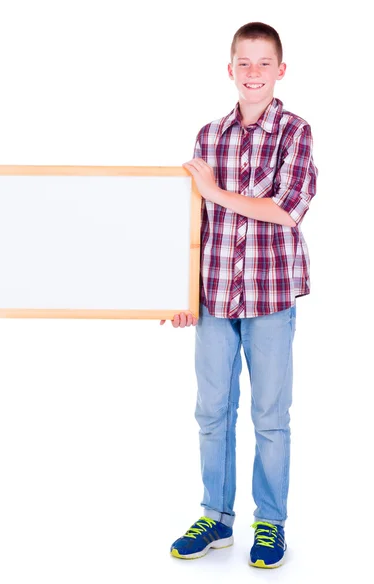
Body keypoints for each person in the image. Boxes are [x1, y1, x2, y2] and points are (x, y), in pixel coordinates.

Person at [162, 22, 317, 569]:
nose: (253, 73)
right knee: (212, 412)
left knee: (271, 416)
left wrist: (215, 191)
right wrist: (179, 291)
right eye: (243, 64)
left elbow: (287, 208)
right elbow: (191, 221)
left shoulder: (295, 133)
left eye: (263, 63)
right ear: (230, 70)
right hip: (212, 299)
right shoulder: (209, 137)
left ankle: (269, 523)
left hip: (270, 297)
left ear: (280, 70)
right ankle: (216, 517)